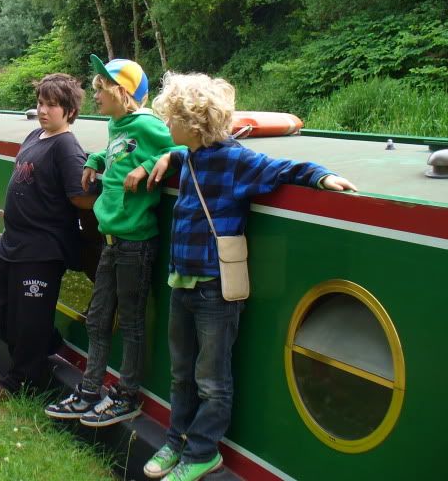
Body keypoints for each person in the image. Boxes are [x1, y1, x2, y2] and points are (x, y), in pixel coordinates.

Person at [142, 73, 356, 481]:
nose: (166, 125)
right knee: (180, 371)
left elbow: (282, 169)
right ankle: (176, 440)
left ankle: (203, 453)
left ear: (195, 122)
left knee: (211, 378)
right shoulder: (191, 155)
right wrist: (167, 157)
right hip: (181, 282)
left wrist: (320, 176)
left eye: (172, 118)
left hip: (214, 290)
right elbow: (185, 157)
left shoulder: (234, 160)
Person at [45, 55, 176, 426]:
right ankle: (90, 390)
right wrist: (96, 159)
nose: (96, 93)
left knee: (132, 323)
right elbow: (121, 151)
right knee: (98, 318)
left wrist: (150, 166)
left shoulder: (148, 124)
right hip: (111, 239)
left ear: (123, 92)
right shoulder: (118, 124)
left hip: (136, 242)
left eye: (102, 88)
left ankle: (127, 395)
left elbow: (181, 149)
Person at [0, 73, 96, 402]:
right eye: (40, 103)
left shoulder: (67, 147)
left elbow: (81, 197)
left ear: (69, 111)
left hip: (42, 247)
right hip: (13, 240)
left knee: (30, 318)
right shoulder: (35, 136)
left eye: (51, 105)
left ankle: (19, 380)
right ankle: (43, 346)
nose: (42, 110)